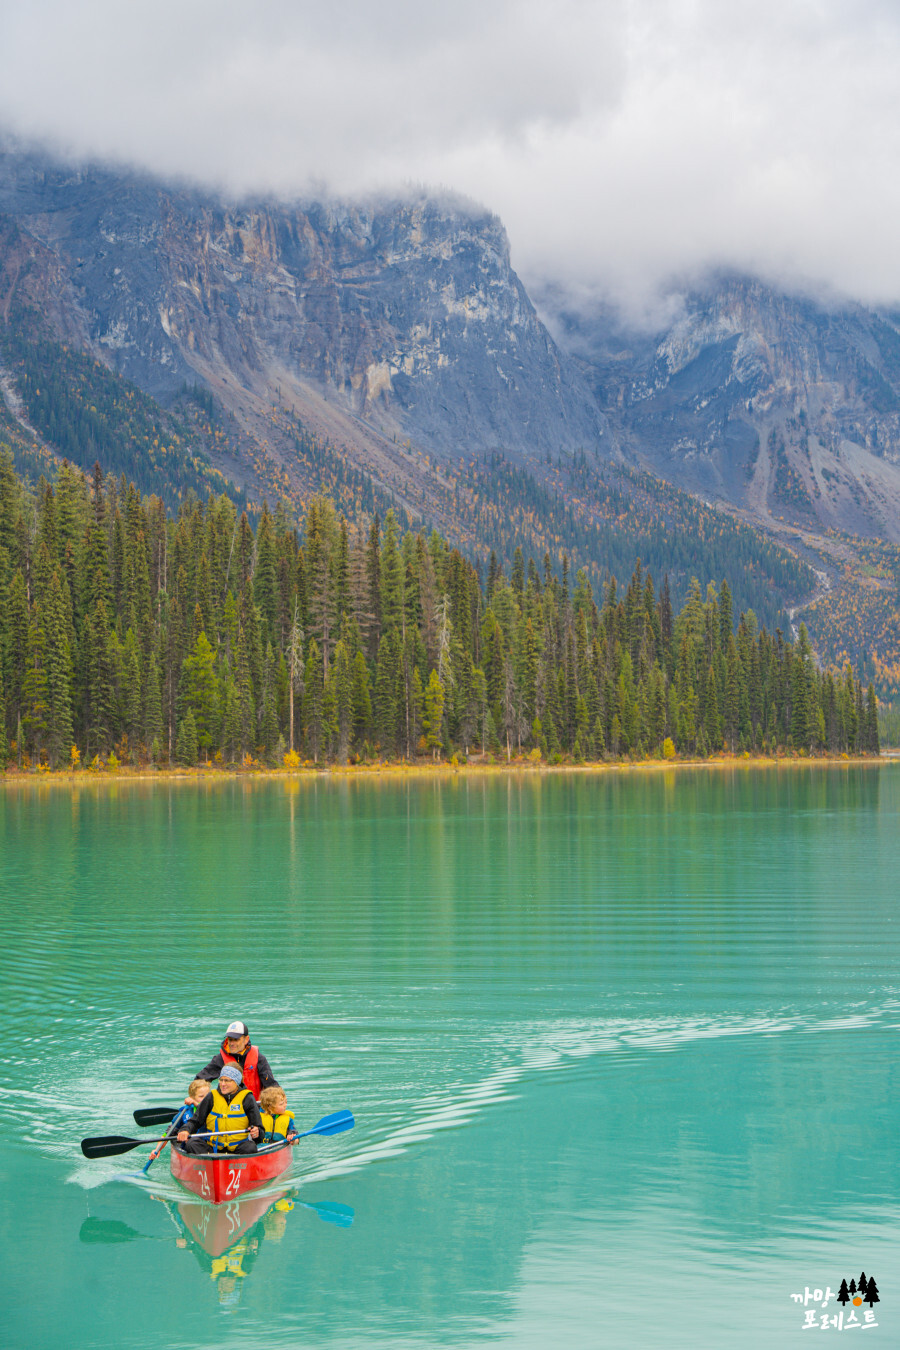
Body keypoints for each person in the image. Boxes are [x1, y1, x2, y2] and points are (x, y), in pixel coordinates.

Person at [177, 1065, 263, 1154]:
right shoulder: (211, 1096)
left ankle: (234, 1163)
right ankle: (211, 1162)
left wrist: (257, 1132)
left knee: (251, 1147)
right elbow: (195, 1121)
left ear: (236, 1081)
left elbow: (259, 1129)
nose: (222, 1084)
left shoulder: (247, 1098)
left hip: (238, 1149)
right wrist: (185, 1130)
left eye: (227, 1081)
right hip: (213, 1149)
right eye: (221, 1080)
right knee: (191, 1144)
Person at [196, 1020, 279, 1101]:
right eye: (230, 1039)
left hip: (254, 1107)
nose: (232, 1043)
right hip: (228, 1110)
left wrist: (277, 1102)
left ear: (246, 1039)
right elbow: (200, 1080)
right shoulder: (220, 1058)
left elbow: (271, 1085)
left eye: (236, 1040)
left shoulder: (259, 1058)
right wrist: (195, 1098)